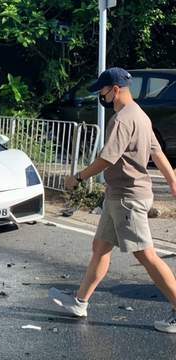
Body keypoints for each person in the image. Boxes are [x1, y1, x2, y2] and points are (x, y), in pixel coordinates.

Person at [48, 67, 176, 333]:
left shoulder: (122, 119)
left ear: (115, 90)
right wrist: (173, 182)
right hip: (117, 195)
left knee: (146, 255)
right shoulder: (140, 115)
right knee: (100, 247)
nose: (100, 96)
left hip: (128, 197)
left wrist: (79, 177)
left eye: (102, 91)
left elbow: (108, 157)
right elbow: (158, 153)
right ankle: (80, 302)